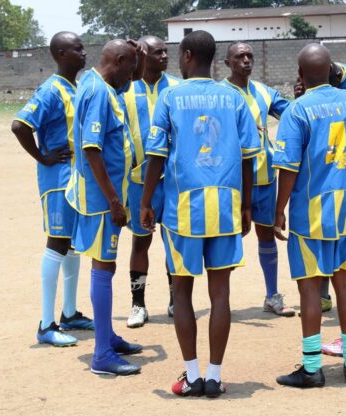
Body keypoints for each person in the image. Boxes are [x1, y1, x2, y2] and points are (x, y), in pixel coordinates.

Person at [141, 30, 261, 398]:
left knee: (182, 290)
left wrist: (146, 201)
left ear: (188, 56)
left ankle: (191, 375)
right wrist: (246, 205)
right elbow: (249, 158)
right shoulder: (234, 97)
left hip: (184, 209)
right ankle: (214, 376)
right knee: (220, 293)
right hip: (225, 206)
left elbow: (156, 155)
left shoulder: (170, 96)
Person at [273, 43, 346, 388]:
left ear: (299, 73)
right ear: (331, 70)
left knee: (310, 289)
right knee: (345, 284)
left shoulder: (297, 110)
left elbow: (289, 167)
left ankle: (312, 368)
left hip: (312, 210)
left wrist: (279, 210)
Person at [66, 39, 146, 376]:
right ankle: (101, 354)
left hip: (104, 195)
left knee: (107, 265)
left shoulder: (98, 81)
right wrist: (114, 200)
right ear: (119, 60)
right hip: (101, 201)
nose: (133, 75)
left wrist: (139, 58)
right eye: (131, 66)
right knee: (103, 265)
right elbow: (92, 149)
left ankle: (107, 336)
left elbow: (131, 78)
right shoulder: (99, 91)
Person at [11, 32, 94, 347]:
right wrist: (42, 157)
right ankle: (46, 325)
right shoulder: (50, 90)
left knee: (72, 245)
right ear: (60, 54)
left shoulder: (76, 86)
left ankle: (69, 313)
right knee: (57, 243)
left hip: (75, 178)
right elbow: (20, 126)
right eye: (77, 48)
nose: (83, 53)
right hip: (58, 179)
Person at [221, 41, 294, 317]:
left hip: (264, 179)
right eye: (240, 56)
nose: (246, 60)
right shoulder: (220, 94)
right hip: (231, 183)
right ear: (227, 63)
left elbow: (292, 114)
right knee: (226, 240)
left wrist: (302, 98)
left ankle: (272, 295)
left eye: (250, 56)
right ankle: (221, 301)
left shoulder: (264, 91)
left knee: (266, 236)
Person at [123, 35, 181, 328]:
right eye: (158, 52)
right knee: (140, 241)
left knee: (174, 242)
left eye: (166, 52)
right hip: (138, 179)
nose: (164, 56)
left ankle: (175, 300)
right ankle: (138, 304)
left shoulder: (177, 88)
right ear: (142, 55)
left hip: (172, 180)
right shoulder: (125, 90)